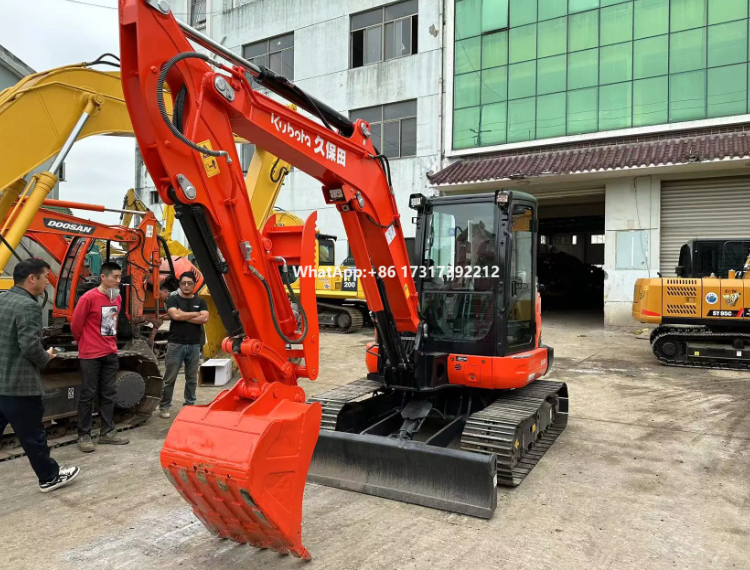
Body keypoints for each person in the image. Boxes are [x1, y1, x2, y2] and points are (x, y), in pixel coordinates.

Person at [0, 258, 80, 492]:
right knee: (33, 436)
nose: (47, 282)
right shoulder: (29, 306)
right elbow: (29, 347)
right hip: (20, 385)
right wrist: (47, 356)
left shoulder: (3, 298)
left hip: (2, 381)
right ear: (32, 278)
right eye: (45, 277)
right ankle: (49, 477)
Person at [71, 261, 129, 452]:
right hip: (90, 354)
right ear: (103, 277)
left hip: (110, 352)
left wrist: (111, 345)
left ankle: (107, 432)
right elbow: (76, 325)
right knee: (88, 394)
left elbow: (112, 325)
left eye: (120, 277)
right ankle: (84, 435)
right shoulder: (88, 298)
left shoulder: (116, 297)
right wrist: (84, 342)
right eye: (115, 277)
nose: (118, 280)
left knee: (108, 393)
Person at [158, 271, 209, 419]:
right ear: (179, 285)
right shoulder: (173, 299)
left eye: (189, 283)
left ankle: (189, 405)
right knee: (170, 378)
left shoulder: (200, 301)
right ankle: (164, 406)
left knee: (191, 378)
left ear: (194, 285)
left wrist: (183, 315)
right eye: (183, 283)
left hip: (194, 345)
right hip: (176, 344)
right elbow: (175, 315)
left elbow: (205, 318)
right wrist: (195, 314)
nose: (186, 286)